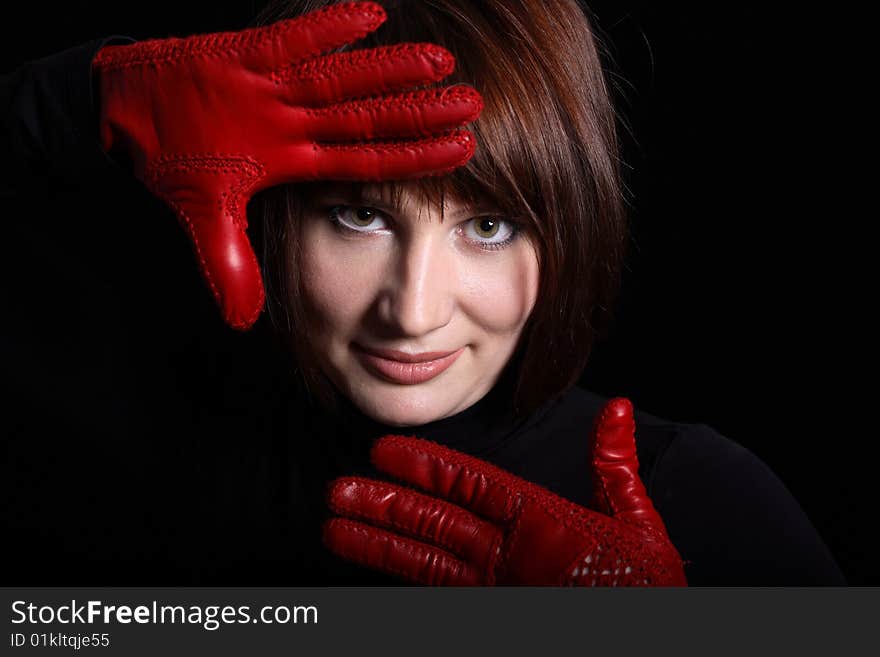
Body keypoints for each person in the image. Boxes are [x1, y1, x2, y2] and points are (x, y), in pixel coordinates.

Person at [1, 0, 845, 585]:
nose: (413, 311)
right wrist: (89, 100)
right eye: (361, 215)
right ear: (276, 214)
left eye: (488, 227)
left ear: (572, 228)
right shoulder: (144, 440)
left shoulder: (701, 500)